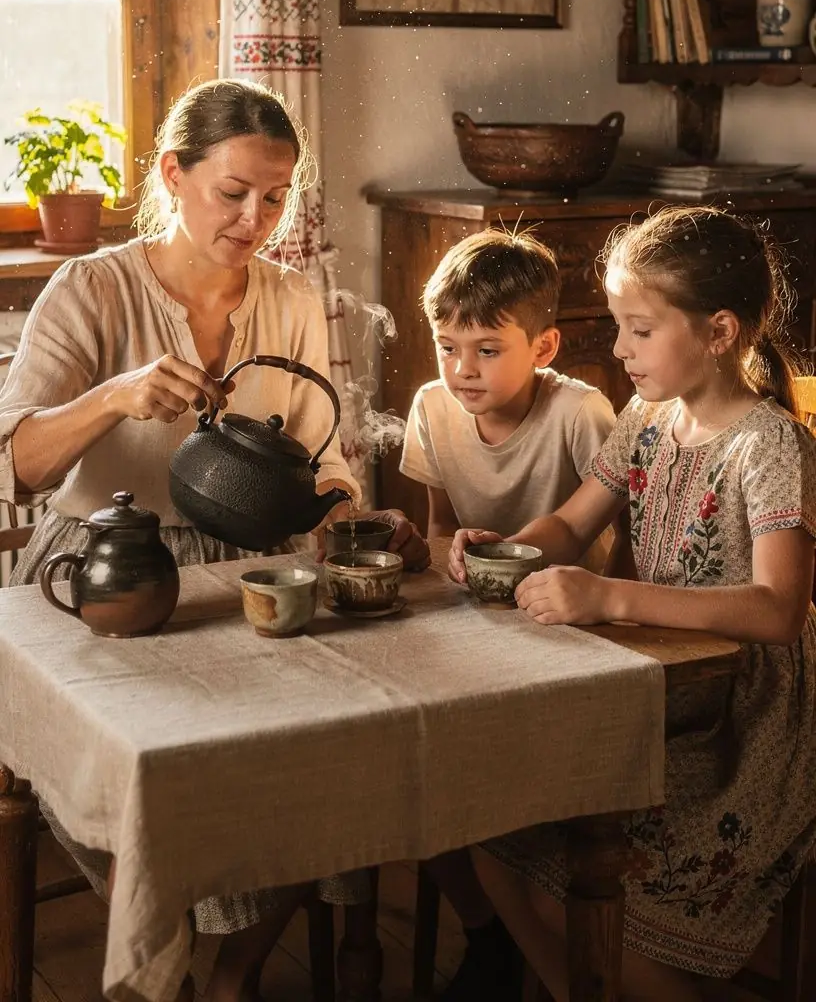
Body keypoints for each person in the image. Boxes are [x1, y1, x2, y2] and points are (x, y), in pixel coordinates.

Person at [0, 77, 428, 1002]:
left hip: (252, 567)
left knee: (331, 750)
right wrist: (113, 396)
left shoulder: (293, 297)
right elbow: (19, 463)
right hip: (105, 570)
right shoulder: (91, 288)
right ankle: (166, 964)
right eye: (233, 192)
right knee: (151, 769)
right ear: (172, 174)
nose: (254, 219)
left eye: (275, 198)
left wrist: (347, 512)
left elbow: (324, 459)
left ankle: (233, 972)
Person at [448, 205, 816, 1002]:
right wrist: (504, 550)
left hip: (744, 723)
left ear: (719, 332)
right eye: (620, 327)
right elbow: (571, 526)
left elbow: (778, 611)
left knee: (576, 887)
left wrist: (608, 596)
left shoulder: (771, 445)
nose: (619, 349)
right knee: (486, 835)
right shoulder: (646, 420)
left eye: (640, 330)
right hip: (655, 690)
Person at [400, 227, 616, 1000]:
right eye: (447, 346)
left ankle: (523, 939)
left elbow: (619, 546)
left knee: (483, 785)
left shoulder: (582, 414)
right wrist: (446, 548)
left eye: (488, 349)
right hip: (476, 625)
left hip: (571, 634)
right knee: (408, 765)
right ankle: (488, 931)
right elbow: (436, 531)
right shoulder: (432, 408)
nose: (462, 368)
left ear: (544, 346)